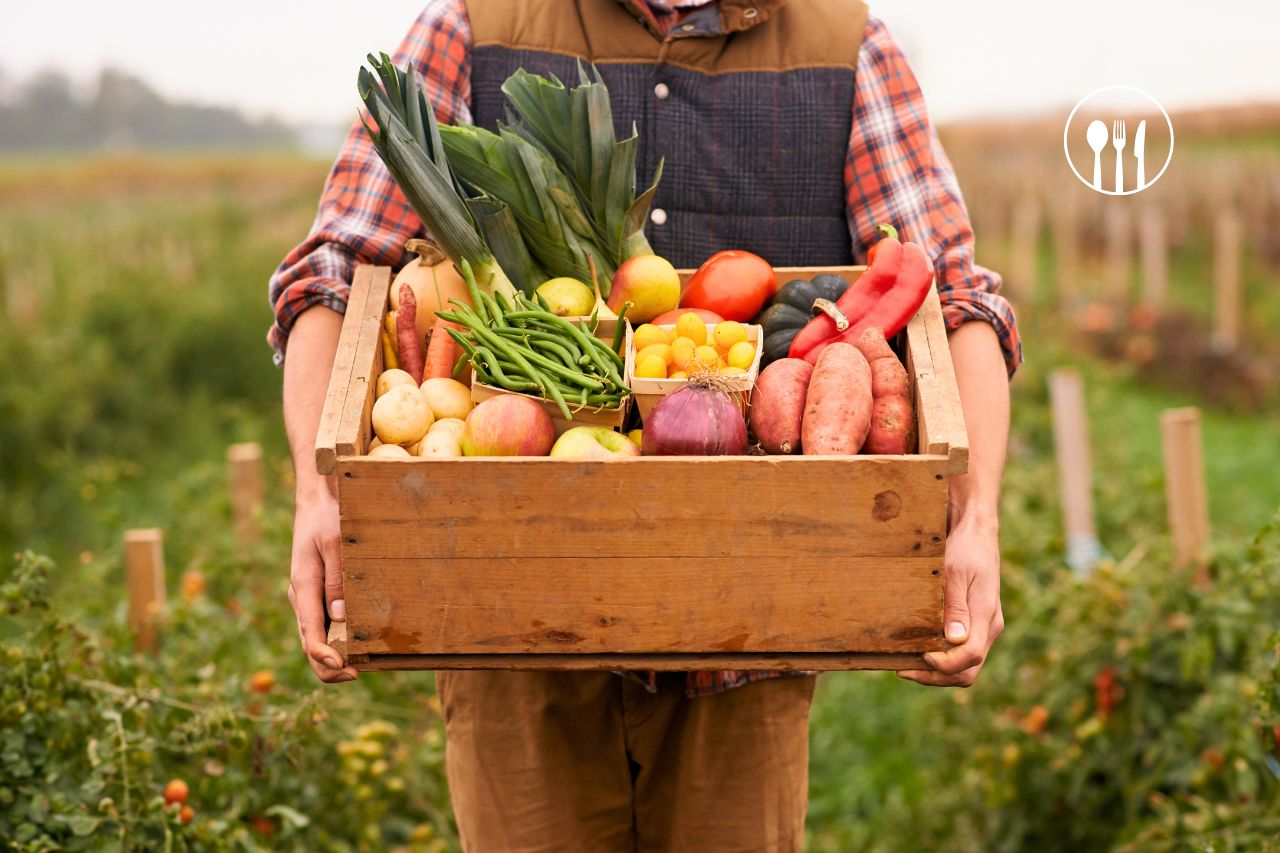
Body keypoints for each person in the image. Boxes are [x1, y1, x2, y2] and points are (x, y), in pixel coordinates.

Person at [270, 0, 1021, 849]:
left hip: (752, 630)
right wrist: (318, 491)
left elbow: (955, 300)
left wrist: (976, 518)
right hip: (514, 623)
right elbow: (335, 274)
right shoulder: (471, 27)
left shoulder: (845, 44)